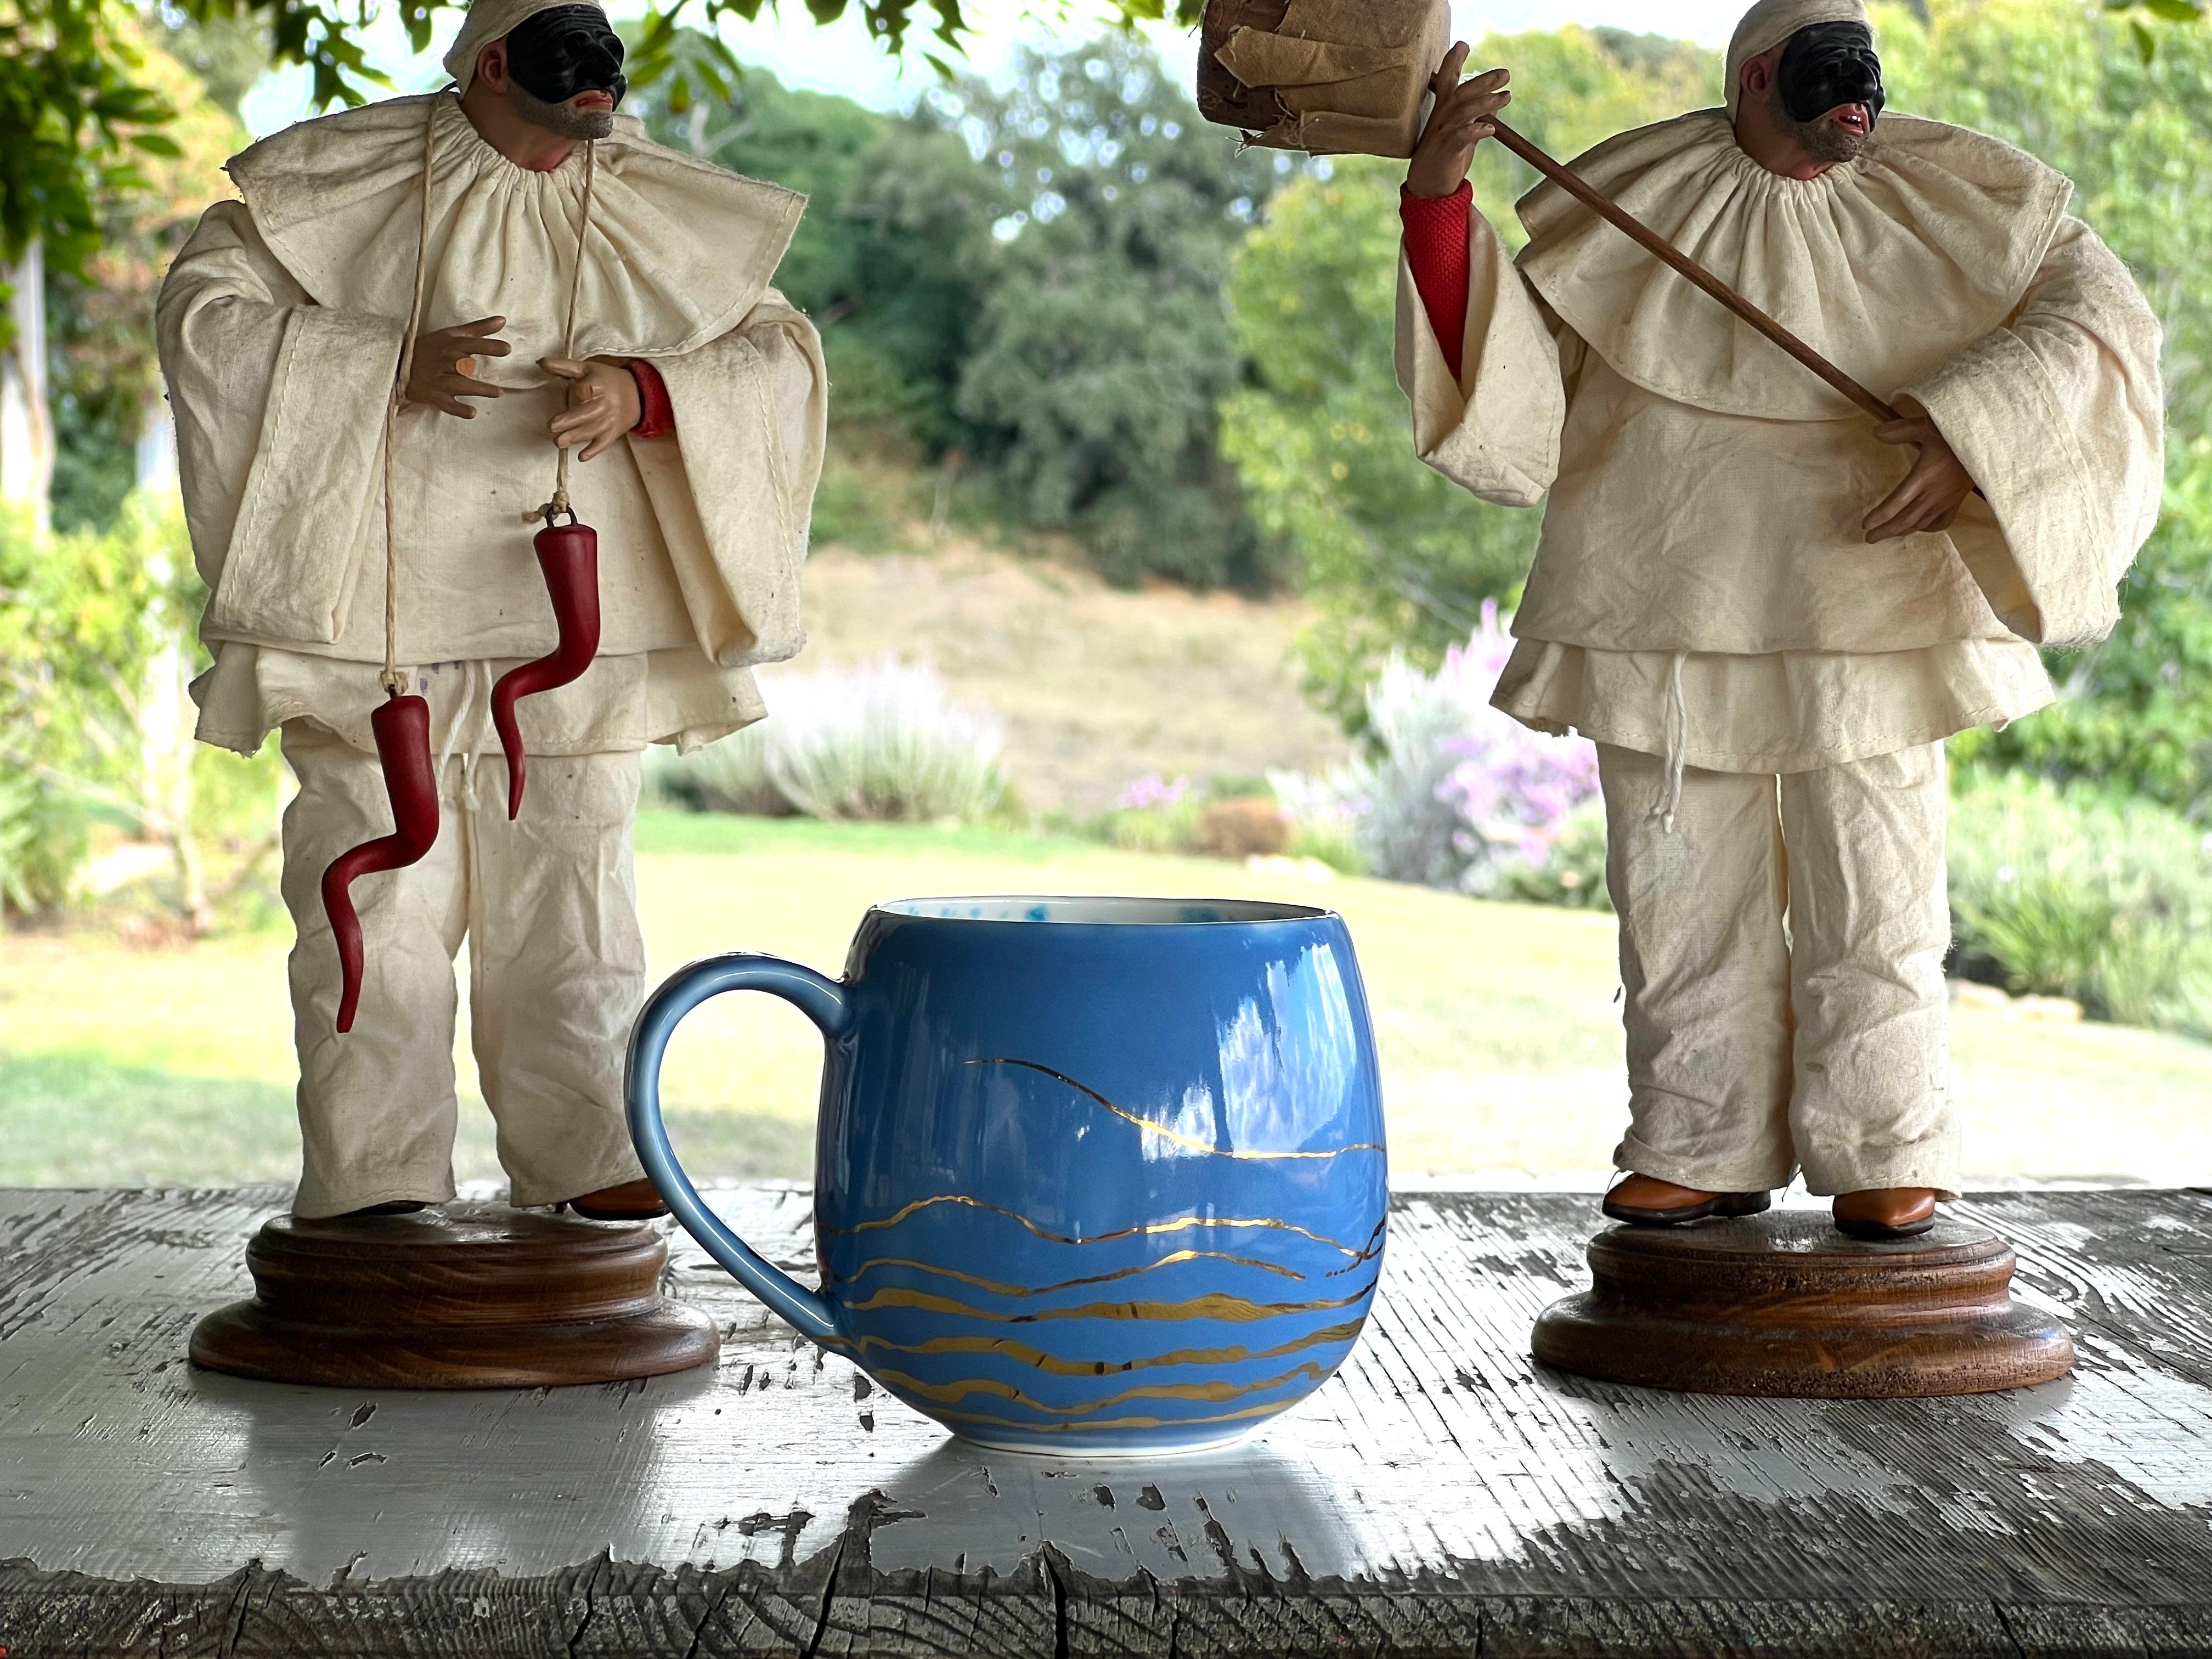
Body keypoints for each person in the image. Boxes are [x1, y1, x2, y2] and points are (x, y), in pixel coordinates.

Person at [1394, 0, 2163, 1238]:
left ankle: (1886, 1139)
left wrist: (1977, 436)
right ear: (1757, 80)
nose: (1847, 125)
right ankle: (1700, 1139)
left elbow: (2102, 331)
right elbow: (1513, 392)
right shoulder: (1624, 203)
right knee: (1676, 883)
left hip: (1872, 600)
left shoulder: (1964, 196)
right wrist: (1438, 203)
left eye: (1864, 101)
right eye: (1819, 98)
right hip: (1661, 593)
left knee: (1880, 879)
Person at [157, 0, 826, 1222]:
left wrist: (648, 391)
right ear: (490, 61)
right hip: (373, 620)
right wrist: (373, 362)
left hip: (578, 625)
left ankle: (588, 1172)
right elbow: (208, 315)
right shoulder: (341, 178)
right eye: (565, 89)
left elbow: (776, 354)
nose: (586, 130)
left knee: (574, 910)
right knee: (374, 904)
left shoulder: (653, 201)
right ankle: (375, 1189)